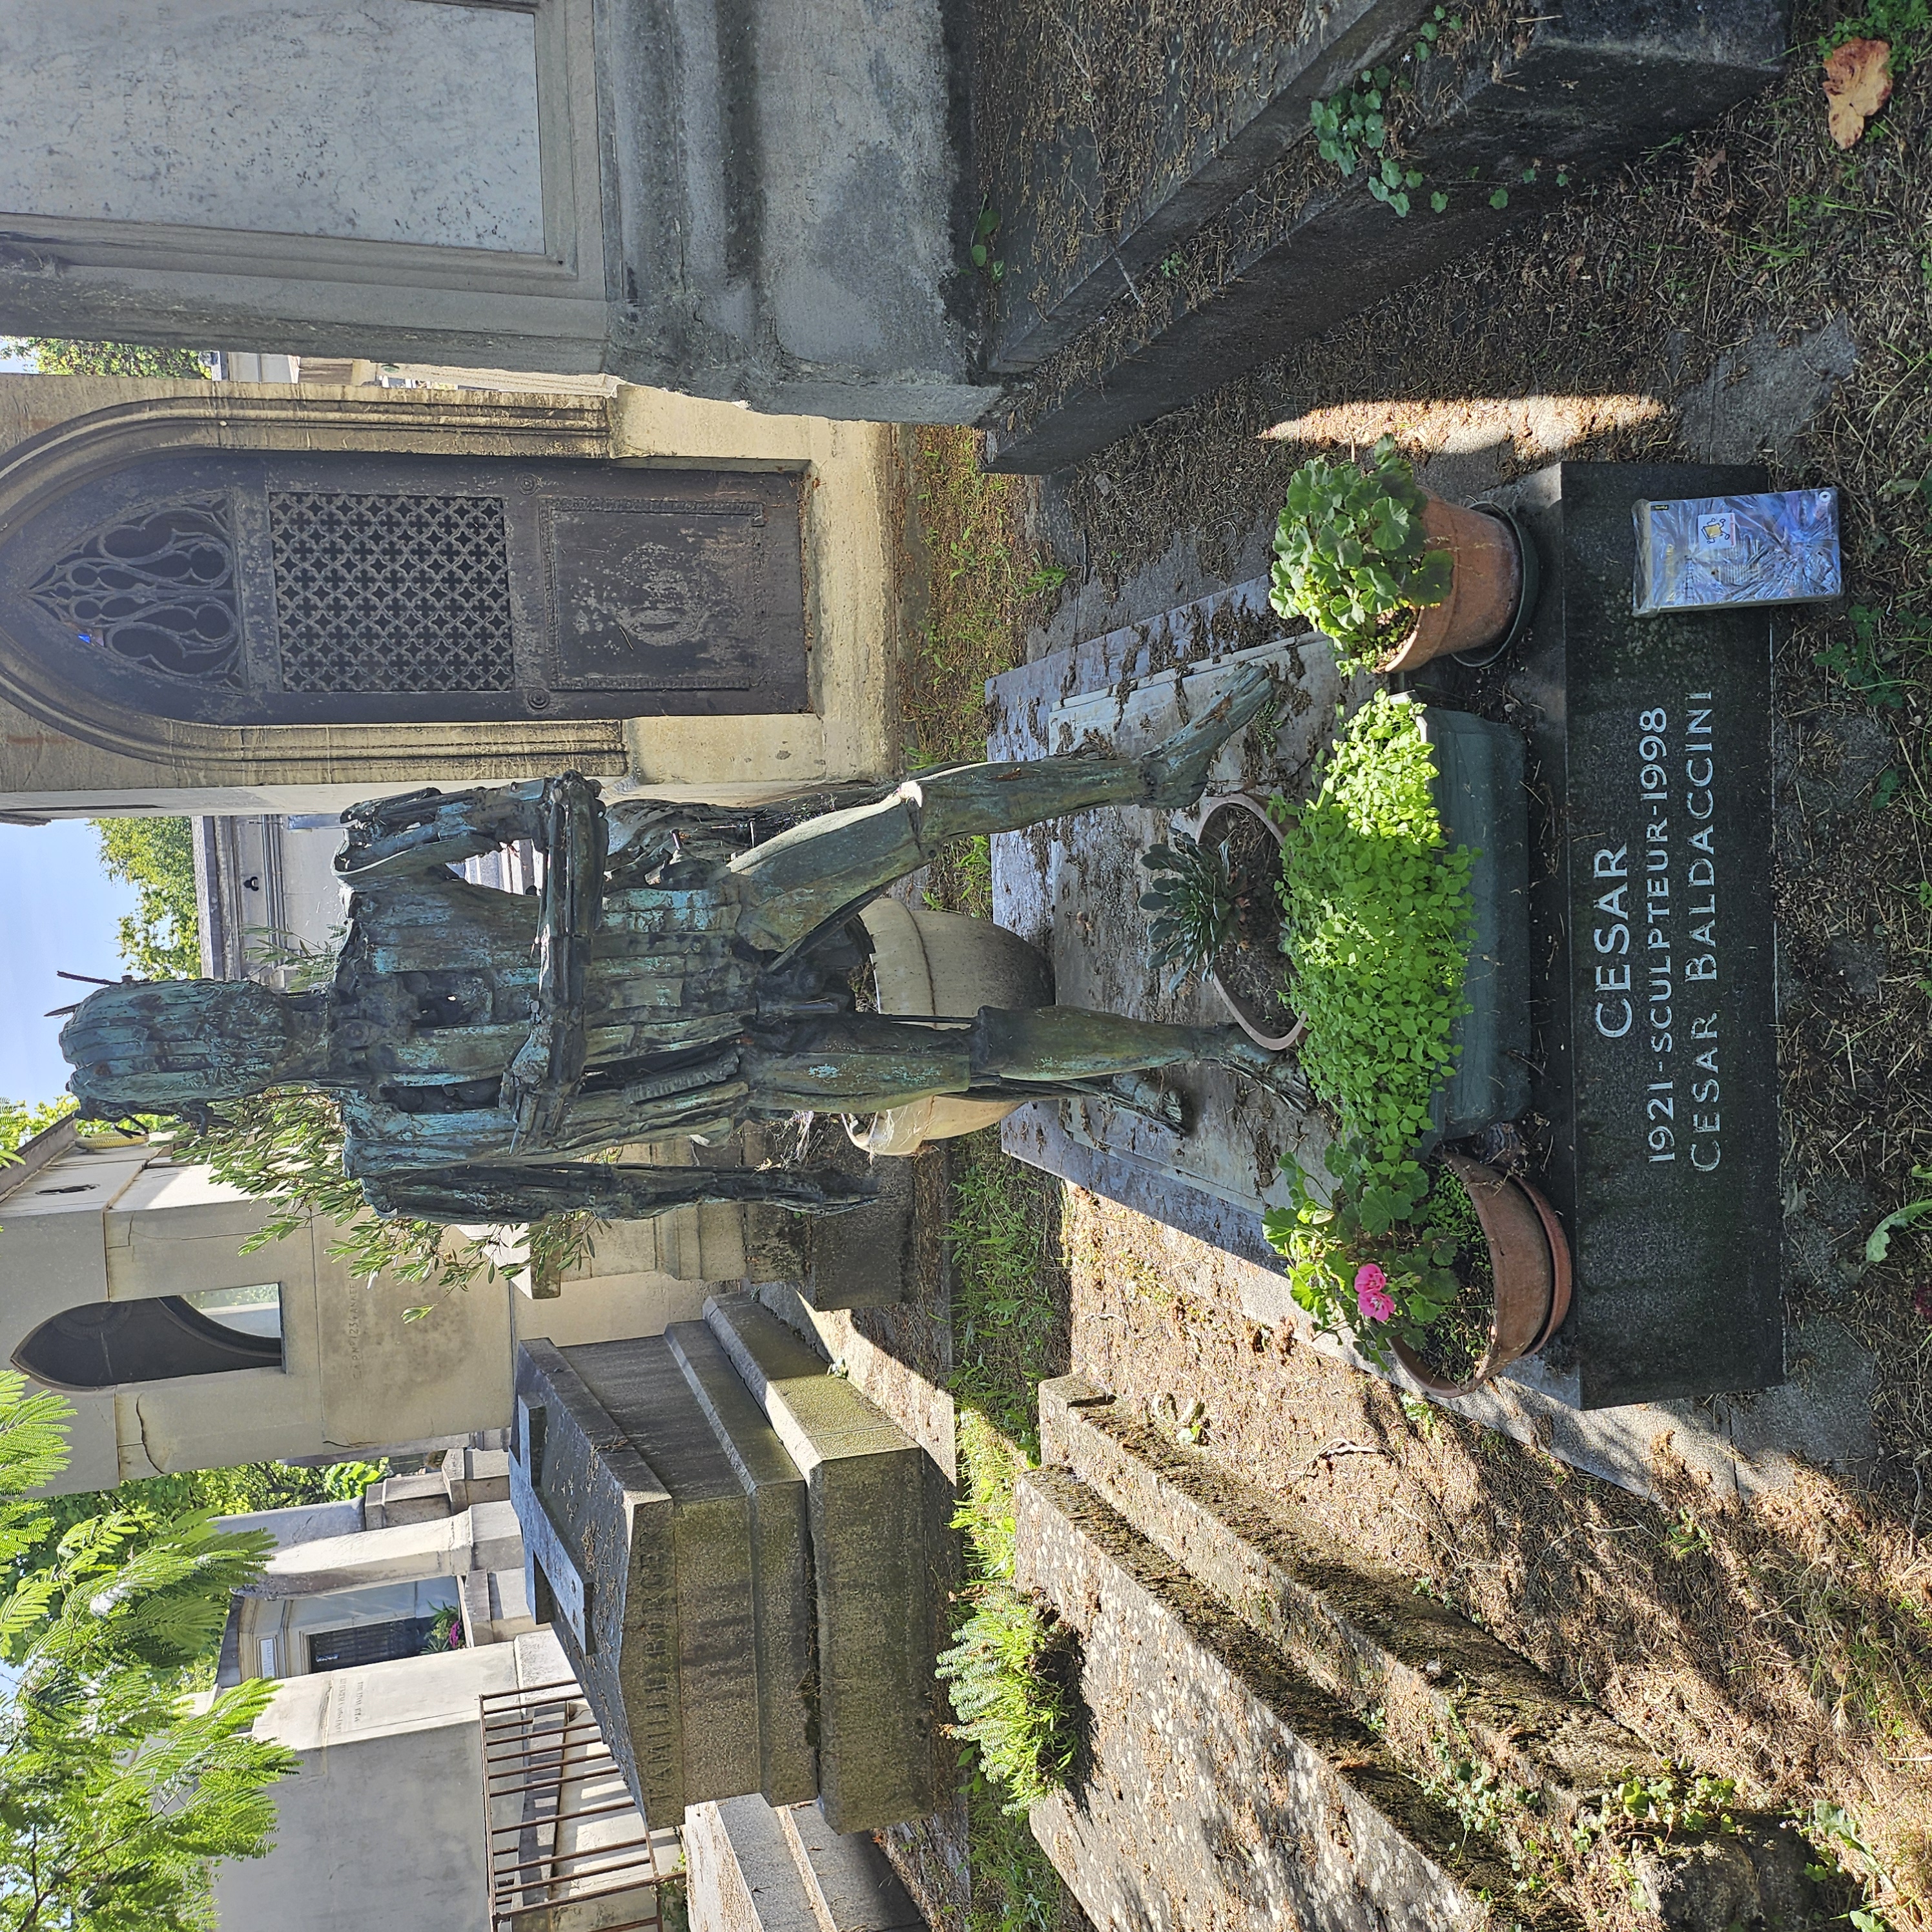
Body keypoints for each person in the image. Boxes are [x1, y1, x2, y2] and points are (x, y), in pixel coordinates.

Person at [61, 668, 1288, 1223]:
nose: (218, 1035)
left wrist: (556, 988)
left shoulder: (382, 879)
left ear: (199, 986)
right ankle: (1214, 1047)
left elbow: (552, 804)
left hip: (714, 920)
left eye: (183, 1012)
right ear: (212, 1097)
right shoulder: (392, 1156)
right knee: (977, 1053)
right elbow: (585, 1184)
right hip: (737, 1067)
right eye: (191, 1057)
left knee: (921, 817)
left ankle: (1154, 771)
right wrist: (755, 1184)